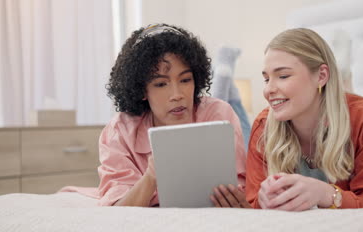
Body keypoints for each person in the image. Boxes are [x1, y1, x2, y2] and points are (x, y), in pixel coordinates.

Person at [245, 28, 363, 210]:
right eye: (266, 79)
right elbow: (253, 205)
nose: (268, 90)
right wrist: (263, 200)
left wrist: (326, 194)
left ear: (321, 76)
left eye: (283, 76)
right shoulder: (264, 127)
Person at [97, 23, 249, 207]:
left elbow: (241, 189)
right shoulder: (119, 131)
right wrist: (151, 176)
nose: (177, 94)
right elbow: (117, 211)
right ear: (142, 89)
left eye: (185, 80)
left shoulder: (219, 113)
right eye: (161, 84)